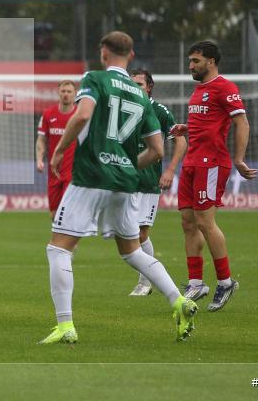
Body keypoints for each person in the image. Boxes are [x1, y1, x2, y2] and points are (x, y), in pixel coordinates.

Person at [40, 31, 197, 345]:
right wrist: (125, 165)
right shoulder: (141, 96)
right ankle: (178, 300)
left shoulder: (95, 78)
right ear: (131, 54)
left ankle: (65, 325)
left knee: (58, 248)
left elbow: (83, 115)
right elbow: (157, 150)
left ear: (103, 53)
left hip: (90, 176)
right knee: (132, 251)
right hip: (125, 182)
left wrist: (59, 150)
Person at [170, 41, 257, 311]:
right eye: (190, 60)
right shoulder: (199, 90)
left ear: (211, 61)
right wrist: (186, 128)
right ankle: (196, 282)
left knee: (205, 222)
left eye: (195, 61)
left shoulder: (225, 87)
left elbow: (241, 122)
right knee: (188, 223)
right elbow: (208, 123)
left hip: (211, 163)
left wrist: (239, 158)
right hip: (191, 161)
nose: (190, 66)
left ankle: (225, 281)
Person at [127, 69, 188, 296]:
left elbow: (181, 142)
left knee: (140, 234)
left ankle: (145, 282)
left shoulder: (160, 111)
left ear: (149, 87)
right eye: (131, 84)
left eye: (139, 84)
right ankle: (146, 279)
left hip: (148, 182)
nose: (135, 88)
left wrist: (170, 170)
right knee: (126, 234)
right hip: (125, 180)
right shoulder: (124, 108)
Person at [36, 80, 77, 221]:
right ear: (58, 93)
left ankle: (70, 237)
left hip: (73, 171)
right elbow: (41, 140)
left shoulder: (80, 116)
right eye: (63, 91)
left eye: (69, 91)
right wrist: (39, 159)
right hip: (54, 171)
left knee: (67, 212)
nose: (66, 94)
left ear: (75, 94)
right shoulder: (48, 114)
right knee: (54, 214)